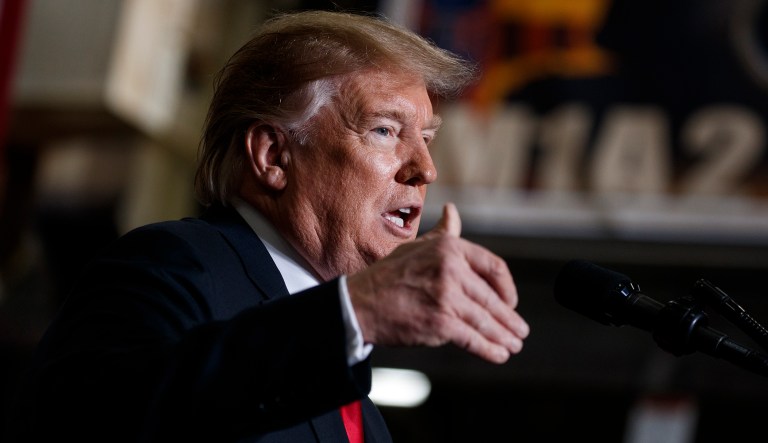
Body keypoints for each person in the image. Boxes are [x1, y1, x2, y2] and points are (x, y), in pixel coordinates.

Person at [7, 9, 530, 442]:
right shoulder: (174, 265)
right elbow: (93, 421)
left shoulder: (362, 413)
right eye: (385, 130)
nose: (425, 169)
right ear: (273, 155)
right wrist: (359, 311)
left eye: (428, 139)